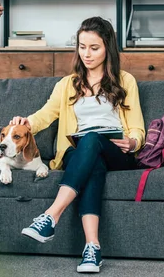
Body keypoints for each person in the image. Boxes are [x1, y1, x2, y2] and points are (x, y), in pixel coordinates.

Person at [11, 17, 145, 273]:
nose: (87, 54)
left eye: (94, 48)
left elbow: (138, 127)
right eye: (82, 47)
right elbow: (45, 114)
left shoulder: (125, 81)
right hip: (81, 153)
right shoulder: (67, 84)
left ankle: (51, 216)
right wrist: (26, 122)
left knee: (93, 138)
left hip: (116, 151)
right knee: (90, 160)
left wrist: (133, 141)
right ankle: (92, 248)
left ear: (108, 48)